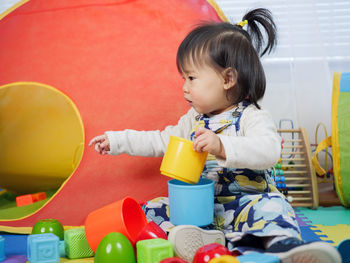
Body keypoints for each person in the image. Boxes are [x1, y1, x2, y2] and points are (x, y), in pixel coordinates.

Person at [89, 8, 341, 263]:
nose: (184, 87)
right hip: (205, 208)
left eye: (191, 77)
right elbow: (159, 140)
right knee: (156, 208)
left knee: (275, 208)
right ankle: (203, 240)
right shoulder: (192, 120)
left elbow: (269, 150)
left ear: (227, 78)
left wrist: (221, 146)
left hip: (248, 204)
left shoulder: (251, 116)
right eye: (183, 78)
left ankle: (282, 248)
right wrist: (118, 140)